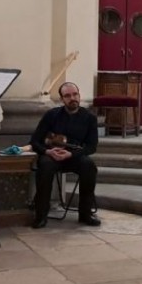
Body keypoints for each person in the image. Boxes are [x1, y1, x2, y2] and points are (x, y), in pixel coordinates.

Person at [30, 82, 100, 228]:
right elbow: (35, 141)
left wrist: (71, 154)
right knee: (45, 166)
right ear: (62, 99)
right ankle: (41, 215)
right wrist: (48, 151)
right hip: (52, 155)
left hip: (74, 156)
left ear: (79, 95)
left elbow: (92, 147)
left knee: (89, 166)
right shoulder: (51, 115)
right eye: (67, 96)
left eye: (75, 94)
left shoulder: (90, 118)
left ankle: (85, 214)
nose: (72, 98)